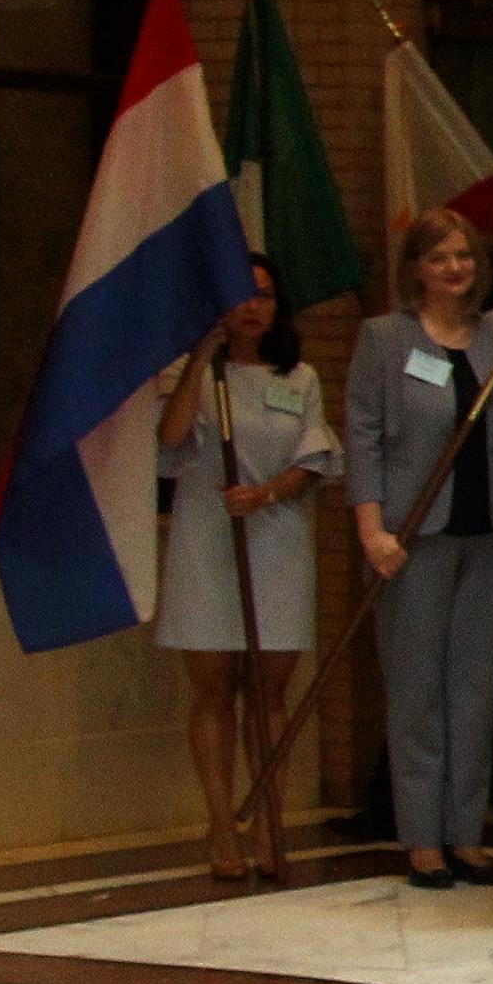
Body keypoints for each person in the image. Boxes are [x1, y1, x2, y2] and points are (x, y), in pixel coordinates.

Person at [350, 210, 493, 893]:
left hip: (489, 534)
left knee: (474, 691)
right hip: (411, 539)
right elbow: (362, 436)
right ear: (416, 268)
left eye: (466, 257)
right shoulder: (383, 340)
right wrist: (371, 531)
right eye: (442, 258)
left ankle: (465, 834)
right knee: (418, 692)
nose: (457, 269)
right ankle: (422, 838)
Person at [155, 255, 339, 881]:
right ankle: (219, 825)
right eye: (241, 294)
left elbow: (317, 455)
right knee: (214, 689)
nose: (253, 306)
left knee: (268, 691)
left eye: (265, 294)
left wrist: (267, 494)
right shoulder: (193, 375)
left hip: (276, 540)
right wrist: (201, 359)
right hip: (207, 544)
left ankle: (267, 818)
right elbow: (172, 439)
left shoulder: (301, 376)